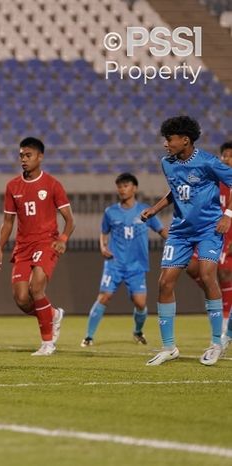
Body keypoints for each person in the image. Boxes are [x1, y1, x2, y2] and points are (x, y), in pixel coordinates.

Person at [141, 117, 232, 366]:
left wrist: (228, 215)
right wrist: (155, 208)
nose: (165, 144)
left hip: (208, 229)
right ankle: (169, 347)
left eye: (169, 139)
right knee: (164, 283)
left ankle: (216, 342)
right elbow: (175, 191)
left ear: (185, 140)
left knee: (206, 274)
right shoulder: (167, 163)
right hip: (180, 231)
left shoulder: (208, 162)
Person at [0, 137, 75, 356]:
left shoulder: (52, 184)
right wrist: (0, 247)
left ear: (40, 157)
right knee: (21, 298)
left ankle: (47, 343)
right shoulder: (13, 186)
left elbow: (69, 220)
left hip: (47, 242)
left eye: (28, 155)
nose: (24, 159)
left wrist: (63, 240)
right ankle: (53, 315)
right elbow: (8, 222)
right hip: (23, 247)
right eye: (21, 155)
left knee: (36, 287)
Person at [81, 173, 167, 347]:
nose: (122, 189)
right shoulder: (110, 212)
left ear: (134, 188)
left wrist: (177, 244)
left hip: (137, 265)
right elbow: (104, 232)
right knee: (104, 297)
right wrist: (103, 247)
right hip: (114, 264)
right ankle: (88, 337)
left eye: (125, 185)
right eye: (119, 186)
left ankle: (137, 332)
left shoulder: (145, 211)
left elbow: (161, 230)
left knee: (140, 303)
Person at [186, 141, 232, 348]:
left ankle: (223, 326)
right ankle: (217, 305)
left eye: (230, 155)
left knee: (223, 274)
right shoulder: (214, 178)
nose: (226, 159)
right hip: (207, 231)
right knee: (192, 267)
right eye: (224, 155)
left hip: (227, 232)